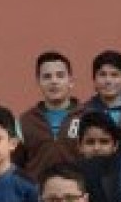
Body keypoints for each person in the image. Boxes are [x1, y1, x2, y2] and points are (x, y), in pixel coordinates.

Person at [17, 51, 86, 179]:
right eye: (47, 77)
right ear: (38, 82)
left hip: (76, 189)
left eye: (60, 76)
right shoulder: (25, 121)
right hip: (36, 190)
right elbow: (16, 165)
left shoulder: (87, 117)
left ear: (71, 81)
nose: (54, 81)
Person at [85, 50, 121, 125]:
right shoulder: (83, 112)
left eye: (114, 75)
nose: (108, 81)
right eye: (102, 75)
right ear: (94, 80)